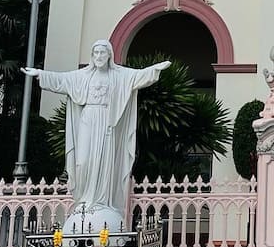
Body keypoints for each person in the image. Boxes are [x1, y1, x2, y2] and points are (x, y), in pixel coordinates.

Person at [22, 40, 169, 219]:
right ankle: (84, 199)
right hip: (88, 119)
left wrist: (155, 69)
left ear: (109, 55)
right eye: (96, 53)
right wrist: (40, 73)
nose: (99, 56)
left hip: (107, 121)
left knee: (104, 160)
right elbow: (61, 80)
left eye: (102, 53)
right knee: (83, 161)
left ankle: (102, 202)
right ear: (92, 56)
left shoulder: (118, 75)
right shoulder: (83, 75)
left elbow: (138, 76)